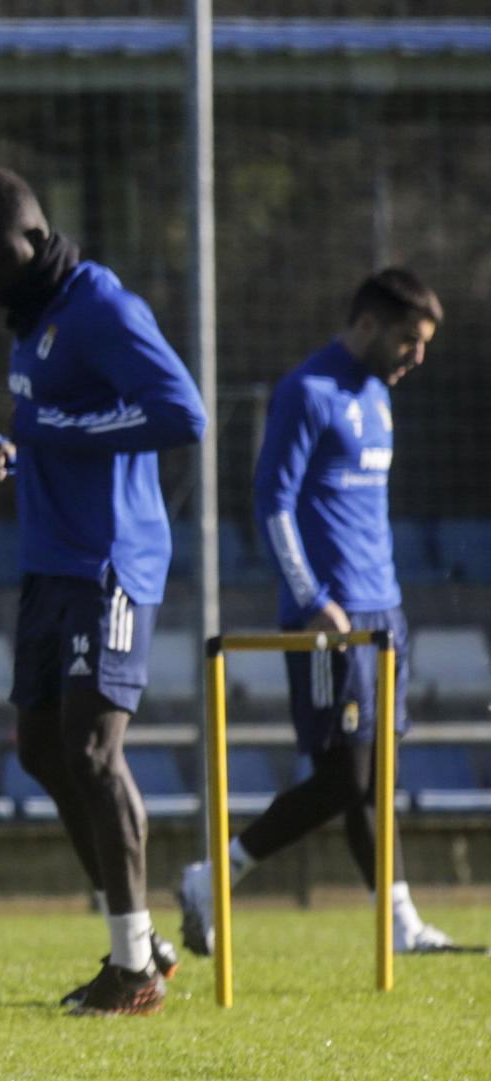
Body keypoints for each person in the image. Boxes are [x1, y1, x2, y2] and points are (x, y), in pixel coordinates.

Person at [0, 167, 207, 1015]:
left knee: (96, 750)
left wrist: (50, 430)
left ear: (35, 238)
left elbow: (181, 413)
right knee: (40, 749)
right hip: (47, 563)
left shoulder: (103, 308)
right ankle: (142, 941)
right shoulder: (33, 320)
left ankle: (134, 965)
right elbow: (55, 425)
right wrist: (13, 450)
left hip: (111, 565)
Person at [179, 269, 453, 955]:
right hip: (329, 620)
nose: (416, 358)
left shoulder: (378, 397)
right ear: (367, 325)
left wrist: (386, 603)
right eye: (408, 342)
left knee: (372, 776)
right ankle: (214, 876)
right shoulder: (308, 391)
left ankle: (401, 922)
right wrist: (311, 599)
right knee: (345, 777)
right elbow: (272, 503)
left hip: (383, 612)